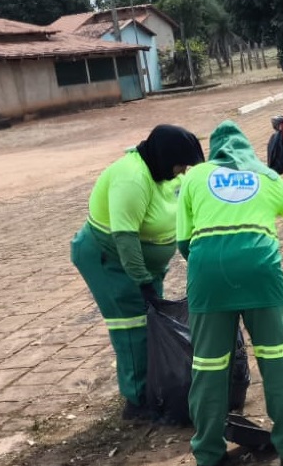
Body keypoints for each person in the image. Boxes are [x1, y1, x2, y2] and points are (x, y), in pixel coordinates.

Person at [177, 120, 283, 466]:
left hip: (208, 273)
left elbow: (182, 243)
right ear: (247, 150)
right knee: (276, 358)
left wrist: (212, 265)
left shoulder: (193, 179)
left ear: (215, 151)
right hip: (260, 272)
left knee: (208, 367)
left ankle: (207, 457)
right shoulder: (266, 177)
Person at [70, 125, 205, 422]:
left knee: (150, 325)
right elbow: (125, 238)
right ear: (165, 156)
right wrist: (142, 280)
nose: (183, 171)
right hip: (109, 259)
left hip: (143, 265)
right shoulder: (131, 178)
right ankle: (137, 401)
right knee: (131, 327)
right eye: (181, 164)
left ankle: (153, 387)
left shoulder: (163, 173)